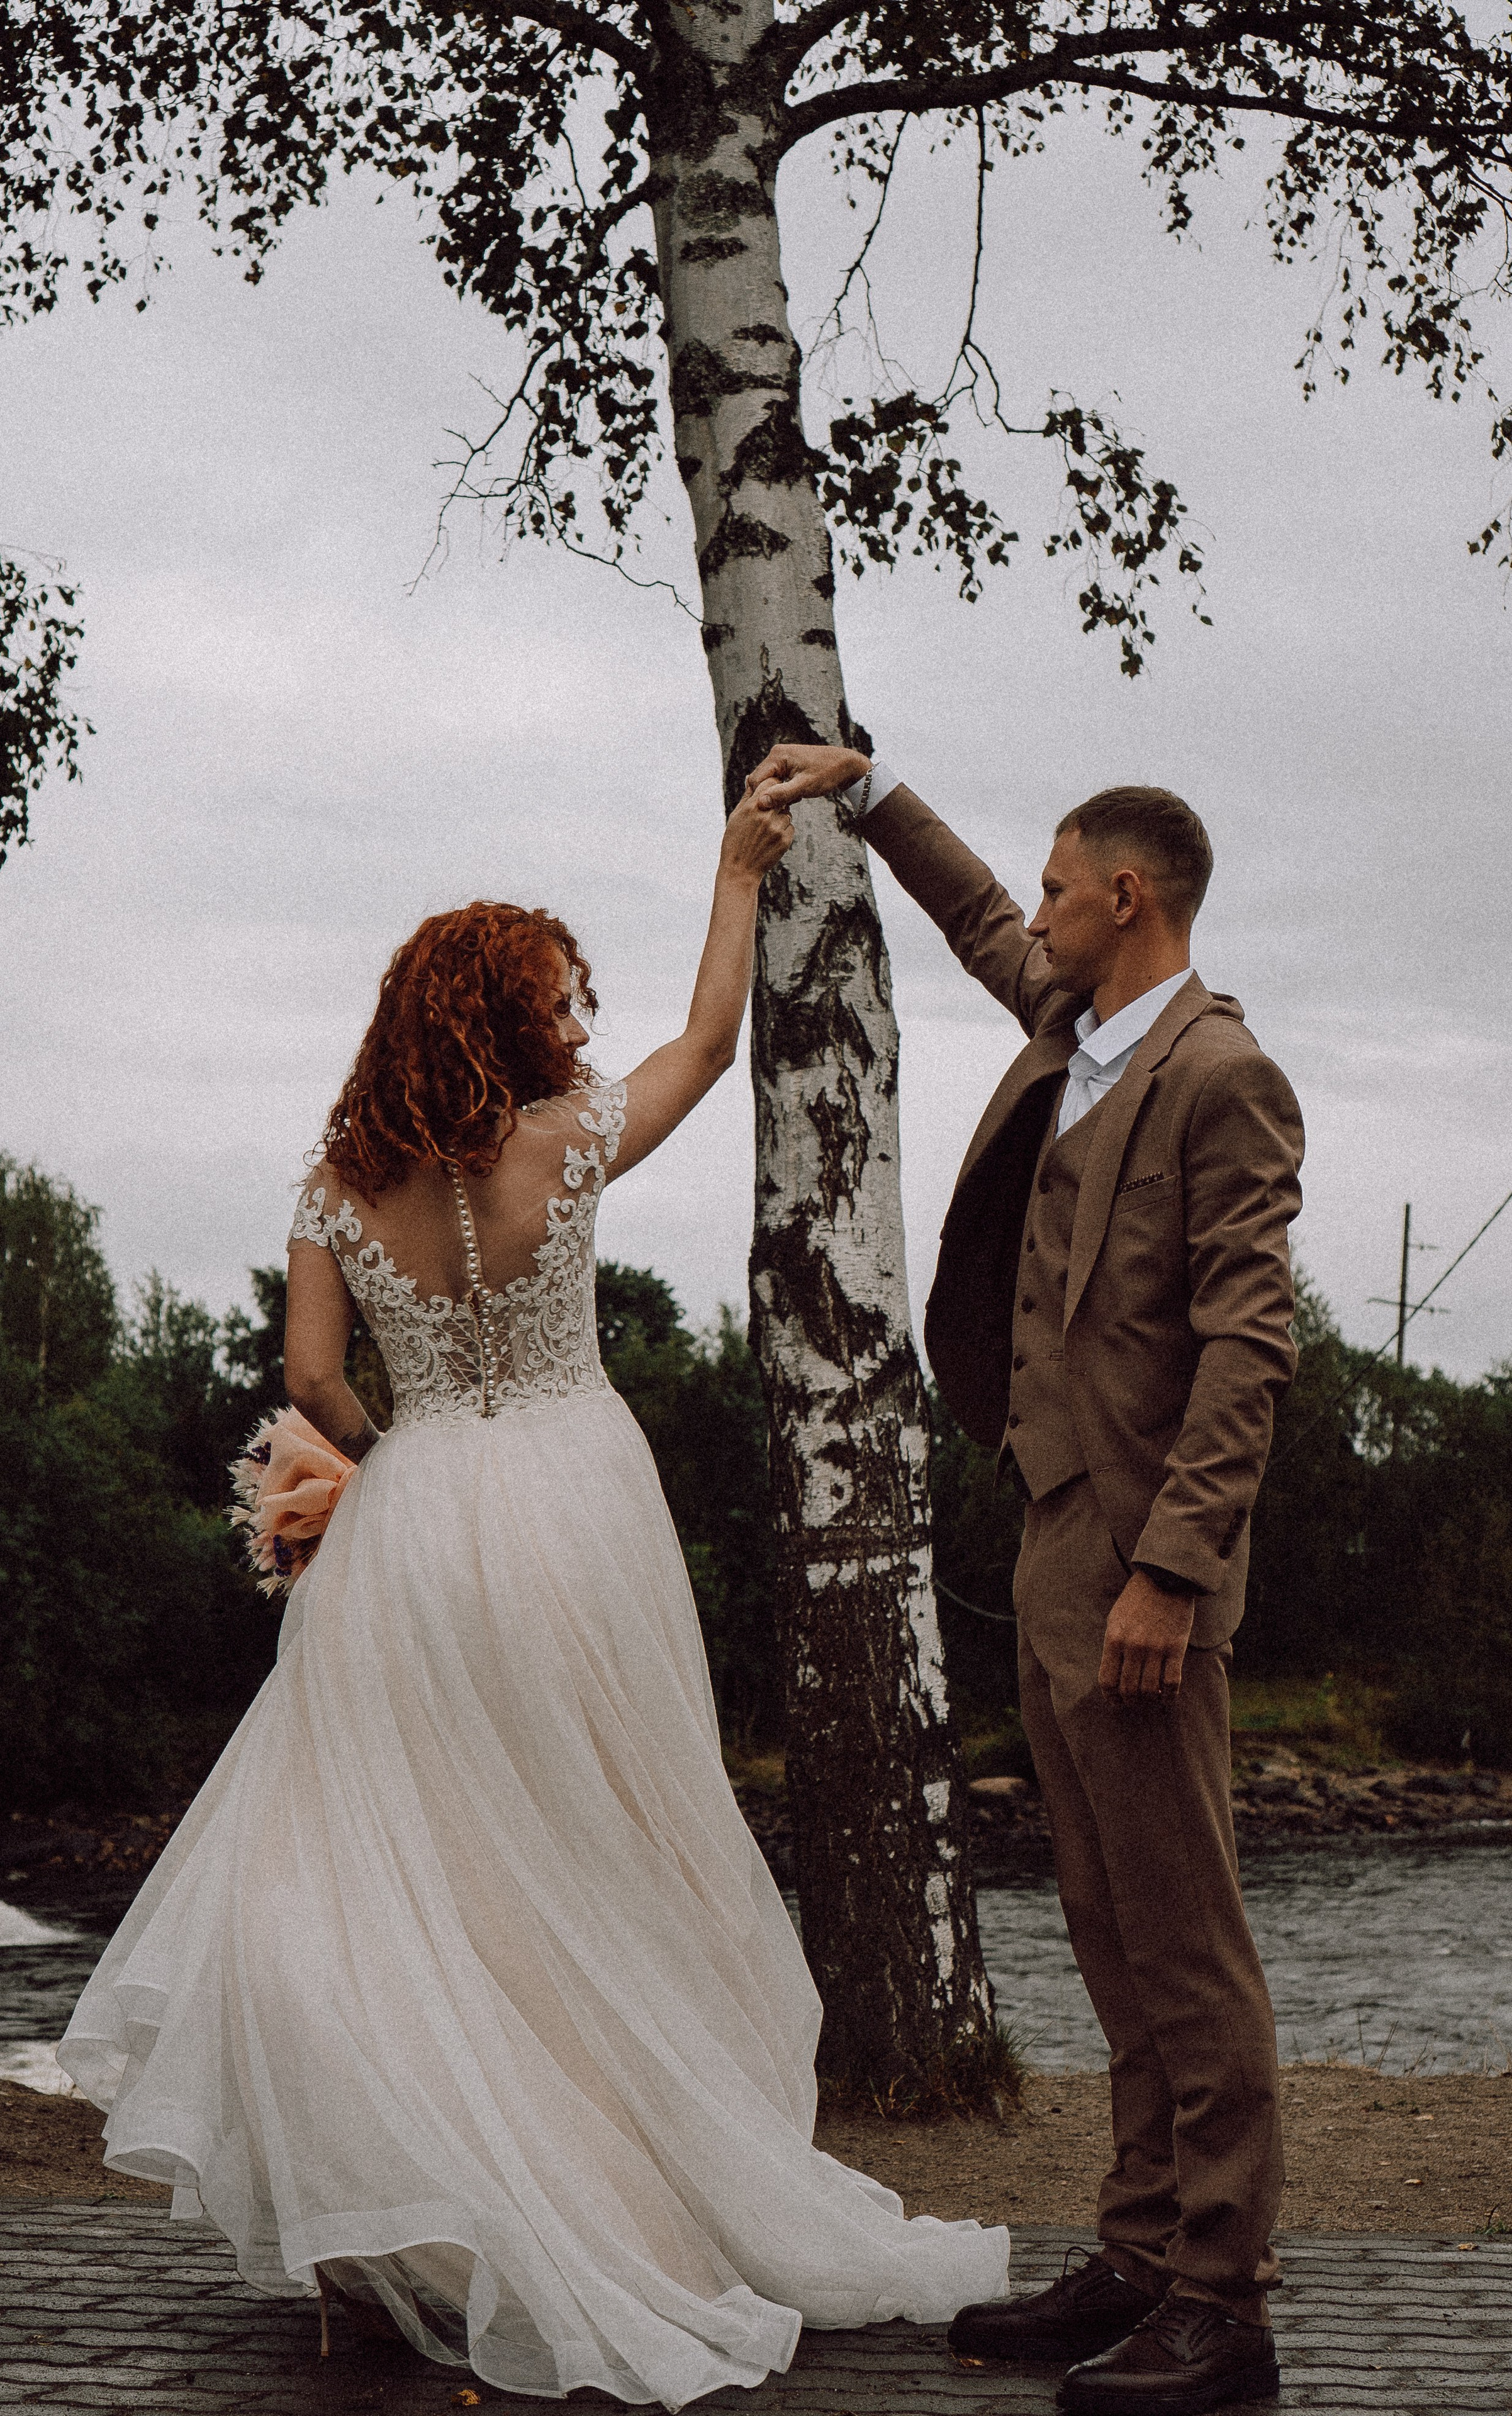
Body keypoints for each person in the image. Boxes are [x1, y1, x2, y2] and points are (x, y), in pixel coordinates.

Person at [58, 788, 1007, 2411]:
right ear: (508, 1016)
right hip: (578, 1506)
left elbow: (311, 1380)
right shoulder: (566, 1144)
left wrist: (399, 1464)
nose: (577, 1024)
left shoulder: (337, 1190)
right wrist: (737, 869)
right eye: (559, 1000)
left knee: (402, 1866)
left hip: (418, 1523)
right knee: (596, 1843)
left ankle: (401, 2222)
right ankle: (619, 2193)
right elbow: (711, 1042)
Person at [742, 744, 1303, 2416]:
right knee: (1110, 1932)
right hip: (1056, 1542)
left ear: (1128, 900)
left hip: (1142, 1571)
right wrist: (869, 791)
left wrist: (1172, 1575)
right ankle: (1141, 2252)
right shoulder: (1076, 1028)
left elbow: (1248, 1351)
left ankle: (1225, 2301)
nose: (1038, 913)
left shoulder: (1221, 1077)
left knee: (1189, 1945)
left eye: (1063, 888)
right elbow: (979, 914)